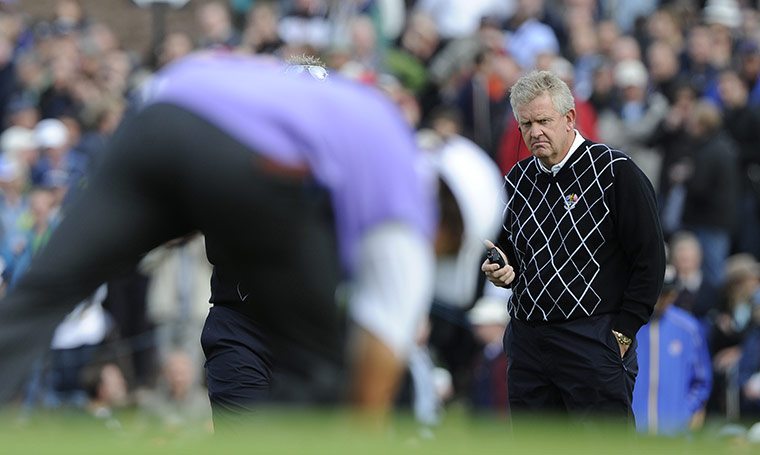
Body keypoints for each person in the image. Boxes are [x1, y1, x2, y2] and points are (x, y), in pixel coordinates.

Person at [0, 52, 437, 428]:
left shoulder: (281, 96)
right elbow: (382, 340)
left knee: (44, 291)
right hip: (230, 162)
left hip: (159, 113)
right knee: (316, 367)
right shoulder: (390, 159)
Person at [481, 70, 666, 421]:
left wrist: (624, 331)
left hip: (593, 337)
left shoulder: (615, 170)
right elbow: (506, 248)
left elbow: (650, 257)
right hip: (527, 340)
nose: (534, 132)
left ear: (569, 119)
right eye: (525, 124)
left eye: (543, 121)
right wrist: (499, 267)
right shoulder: (516, 180)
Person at [632, 266, 713, 436]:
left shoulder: (688, 327)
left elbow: (701, 380)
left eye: (669, 293)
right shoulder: (631, 324)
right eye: (661, 293)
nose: (664, 298)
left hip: (675, 433)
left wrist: (689, 412)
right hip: (633, 431)